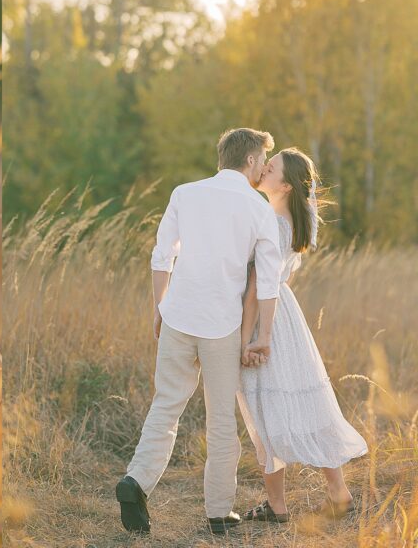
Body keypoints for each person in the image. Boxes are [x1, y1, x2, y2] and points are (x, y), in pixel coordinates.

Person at [116, 128, 282, 535]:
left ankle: (136, 481)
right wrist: (264, 336)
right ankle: (218, 512)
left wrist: (161, 308)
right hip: (221, 326)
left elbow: (161, 255)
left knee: (166, 405)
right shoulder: (259, 208)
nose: (263, 167)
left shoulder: (184, 193)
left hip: (178, 316)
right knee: (222, 419)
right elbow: (269, 280)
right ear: (249, 161)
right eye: (262, 160)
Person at [237, 147, 368, 524]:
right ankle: (338, 493)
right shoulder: (292, 223)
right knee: (305, 403)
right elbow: (283, 279)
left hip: (266, 316)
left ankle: (277, 506)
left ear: (287, 185)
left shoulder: (271, 222)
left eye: (271, 167)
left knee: (264, 406)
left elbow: (257, 285)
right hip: (286, 316)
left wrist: (249, 338)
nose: (263, 169)